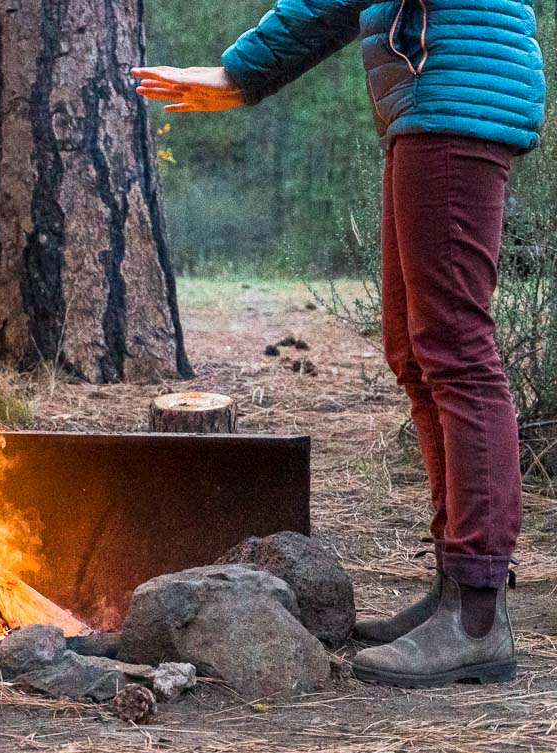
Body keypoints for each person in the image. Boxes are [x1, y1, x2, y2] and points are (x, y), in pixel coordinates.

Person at [132, 0, 545, 687]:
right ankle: (455, 590)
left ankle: (476, 614)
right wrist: (243, 76)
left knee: (457, 353)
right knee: (417, 353)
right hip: (431, 102)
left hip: (455, 100)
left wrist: (241, 72)